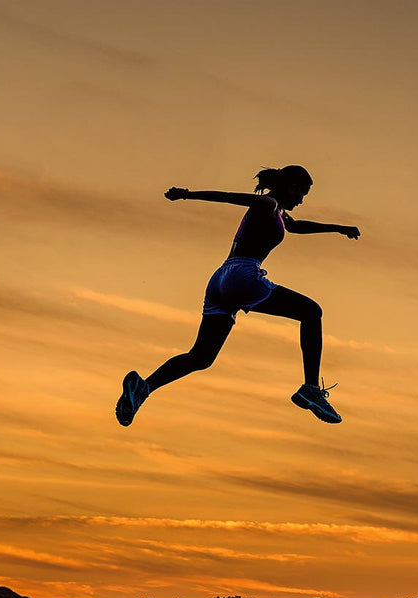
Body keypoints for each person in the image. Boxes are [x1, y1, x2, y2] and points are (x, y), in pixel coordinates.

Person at [116, 165, 360, 427]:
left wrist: (338, 227)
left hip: (220, 280)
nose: (302, 200)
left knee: (201, 357)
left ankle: (143, 388)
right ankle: (310, 388)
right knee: (311, 312)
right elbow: (230, 197)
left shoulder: (278, 212)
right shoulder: (268, 203)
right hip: (242, 275)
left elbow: (297, 227)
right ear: (291, 187)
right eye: (302, 193)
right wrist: (187, 194)